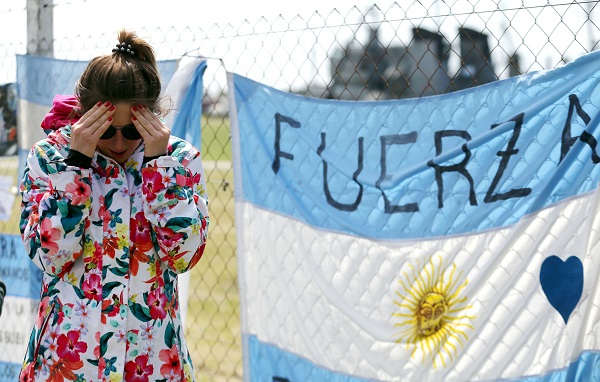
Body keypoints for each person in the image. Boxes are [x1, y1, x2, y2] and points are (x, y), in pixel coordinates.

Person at [19, 29, 209, 382]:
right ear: (85, 115)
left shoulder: (179, 159)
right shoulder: (50, 156)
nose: (119, 142)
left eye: (132, 130)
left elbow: (184, 256)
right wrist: (75, 166)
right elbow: (49, 256)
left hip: (151, 361)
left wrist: (159, 170)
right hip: (68, 362)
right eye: (106, 130)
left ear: (151, 117)